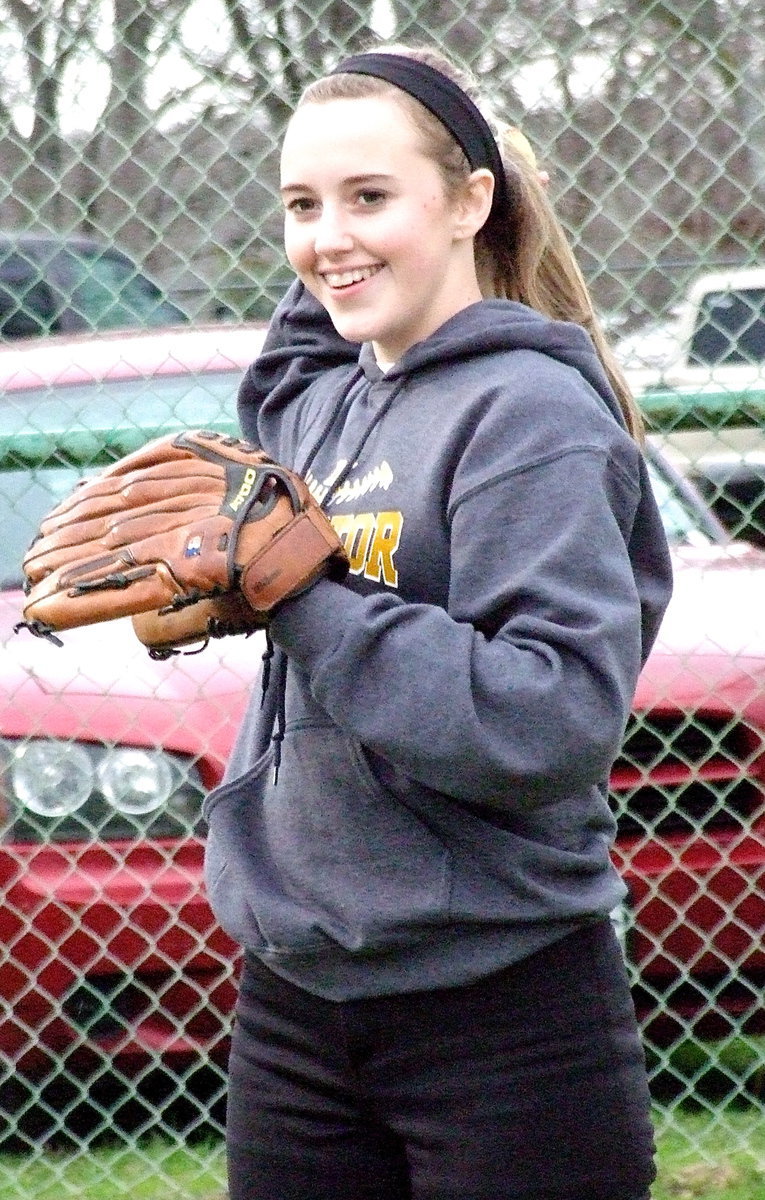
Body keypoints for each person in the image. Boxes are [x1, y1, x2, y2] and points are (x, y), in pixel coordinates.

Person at [203, 42, 673, 1200]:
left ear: (471, 203)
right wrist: (380, 152)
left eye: (370, 197)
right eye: (300, 206)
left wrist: (304, 595)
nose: (328, 235)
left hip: (500, 1013)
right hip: (297, 1003)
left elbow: (546, 720)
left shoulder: (531, 415)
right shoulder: (326, 403)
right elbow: (288, 357)